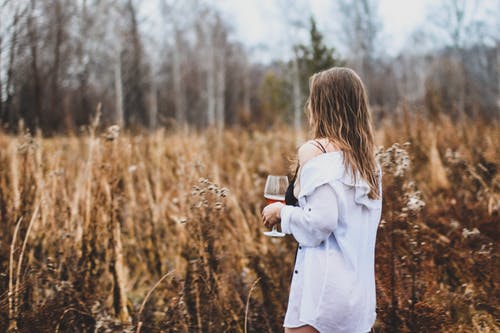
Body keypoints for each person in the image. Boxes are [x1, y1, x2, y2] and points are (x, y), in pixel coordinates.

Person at [261, 67, 382, 333]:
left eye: (312, 100)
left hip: (324, 291)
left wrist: (281, 213)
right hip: (359, 294)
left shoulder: (314, 151)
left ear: (320, 106)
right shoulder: (368, 162)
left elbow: (320, 222)